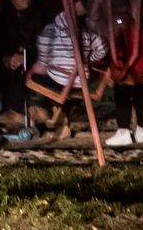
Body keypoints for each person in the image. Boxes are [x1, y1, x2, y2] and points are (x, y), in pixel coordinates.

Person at [29, 10, 107, 138]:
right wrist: (89, 59)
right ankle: (61, 119)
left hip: (59, 80)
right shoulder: (87, 33)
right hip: (80, 82)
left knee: (34, 78)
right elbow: (103, 48)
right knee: (65, 91)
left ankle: (43, 110)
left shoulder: (53, 32)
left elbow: (43, 58)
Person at [104, 1, 143, 147]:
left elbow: (121, 52)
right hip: (142, 72)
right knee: (141, 95)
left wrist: (116, 73)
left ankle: (123, 131)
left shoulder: (134, 31)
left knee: (122, 93)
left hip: (130, 70)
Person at [0, 0, 46, 135]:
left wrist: (25, 56)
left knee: (28, 79)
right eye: (14, 3)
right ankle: (13, 113)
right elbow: (1, 37)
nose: (17, 6)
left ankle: (29, 113)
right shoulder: (8, 16)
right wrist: (6, 56)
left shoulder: (38, 15)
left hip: (34, 58)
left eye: (19, 2)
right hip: (12, 58)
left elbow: (41, 41)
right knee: (7, 77)